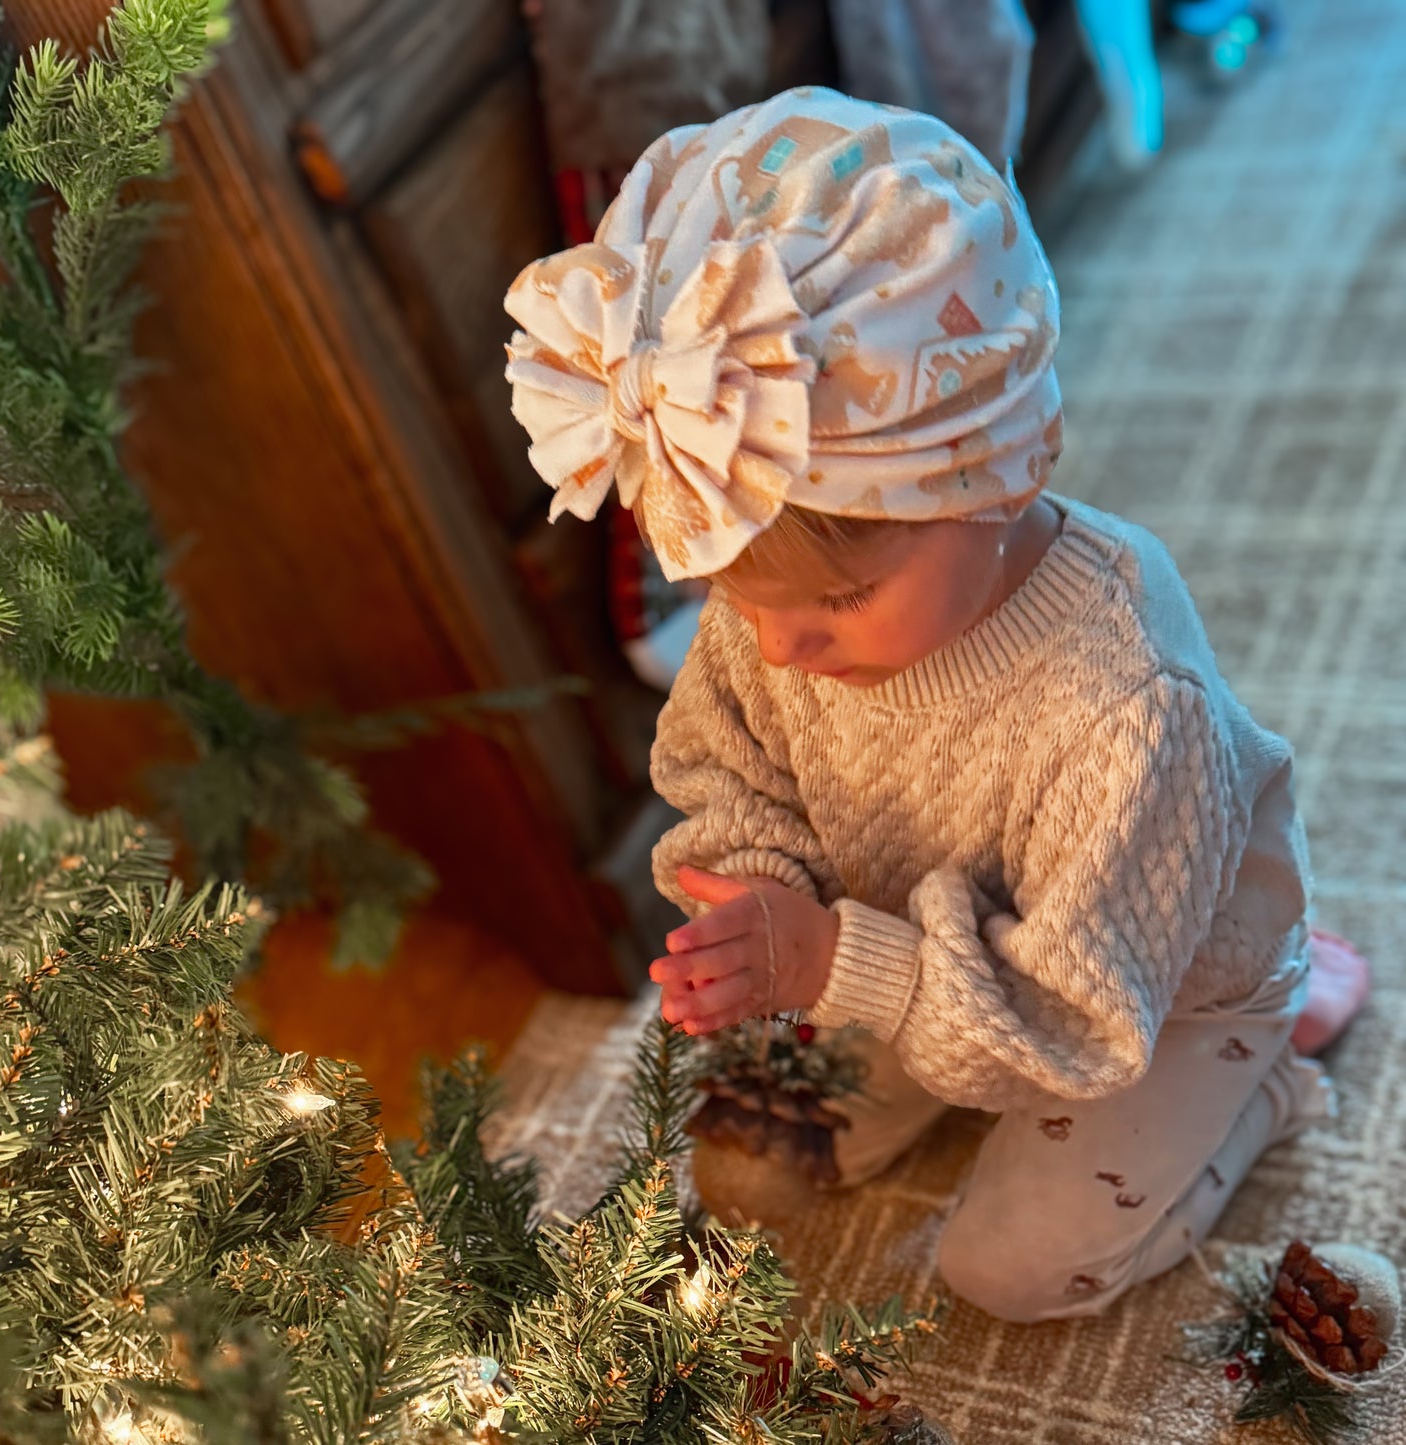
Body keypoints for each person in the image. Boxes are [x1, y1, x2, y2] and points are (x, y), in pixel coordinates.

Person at [501, 87, 1370, 1323]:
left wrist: (836, 959)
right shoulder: (780, 614)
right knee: (746, 1169)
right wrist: (764, 906)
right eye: (736, 599)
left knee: (1008, 1271)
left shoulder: (1123, 697)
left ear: (999, 479)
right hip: (927, 943)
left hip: (1139, 996)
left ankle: (1269, 1066)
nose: (785, 647)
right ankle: (931, 1029)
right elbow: (725, 768)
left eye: (845, 598)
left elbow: (1068, 1024)